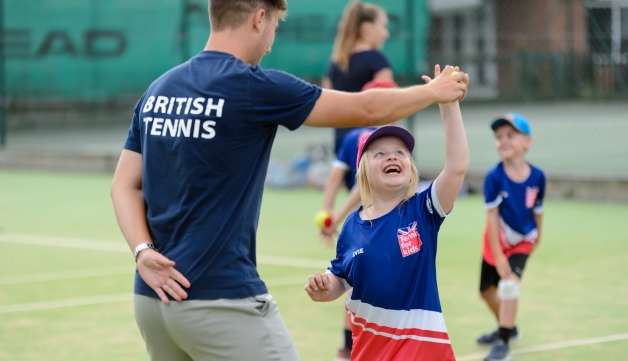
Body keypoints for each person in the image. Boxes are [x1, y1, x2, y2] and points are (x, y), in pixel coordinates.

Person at [109, 0, 469, 359]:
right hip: (220, 299)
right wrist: (435, 91)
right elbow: (368, 109)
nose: (270, 44)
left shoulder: (157, 91)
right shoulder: (251, 86)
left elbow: (123, 185)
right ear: (259, 18)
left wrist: (142, 252)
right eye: (275, 30)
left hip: (151, 299)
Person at [305, 65, 468, 361]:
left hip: (424, 353)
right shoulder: (352, 227)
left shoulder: (424, 211)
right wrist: (323, 289)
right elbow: (340, 278)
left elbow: (457, 166)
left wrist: (448, 104)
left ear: (410, 169)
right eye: (379, 153)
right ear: (363, 173)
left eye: (400, 152)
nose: (392, 156)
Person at [320, 78, 398, 361]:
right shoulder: (387, 140)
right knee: (363, 283)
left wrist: (329, 215)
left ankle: (348, 347)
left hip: (370, 222)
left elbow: (335, 180)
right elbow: (360, 185)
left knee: (359, 283)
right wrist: (335, 215)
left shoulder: (354, 137)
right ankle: (353, 346)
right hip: (374, 223)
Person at [476, 113, 546, 361]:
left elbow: (538, 211)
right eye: (498, 137)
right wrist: (497, 255)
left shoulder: (538, 177)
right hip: (496, 241)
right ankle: (509, 327)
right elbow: (492, 218)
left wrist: (535, 239)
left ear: (528, 141)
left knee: (508, 285)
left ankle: (502, 344)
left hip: (522, 241)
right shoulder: (494, 177)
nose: (503, 141)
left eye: (511, 135)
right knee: (485, 291)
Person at [322, 1, 394, 154]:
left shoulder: (334, 63)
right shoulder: (377, 61)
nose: (386, 33)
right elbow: (389, 108)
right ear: (368, 28)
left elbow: (326, 103)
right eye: (383, 26)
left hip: (341, 143)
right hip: (371, 144)